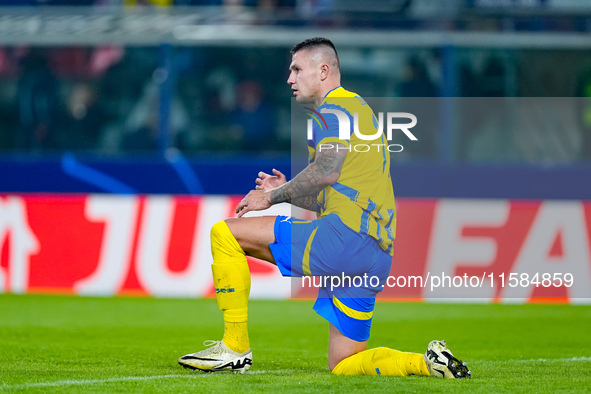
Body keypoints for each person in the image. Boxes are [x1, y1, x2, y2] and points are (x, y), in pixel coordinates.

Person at [177, 37, 471, 379]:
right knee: (344, 364)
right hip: (376, 253)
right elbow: (332, 190)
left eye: (297, 69)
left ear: (323, 71)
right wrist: (286, 191)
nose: (290, 78)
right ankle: (426, 362)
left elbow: (325, 171)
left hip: (346, 239)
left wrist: (269, 197)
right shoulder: (358, 113)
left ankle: (235, 347)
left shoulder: (333, 109)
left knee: (224, 233)